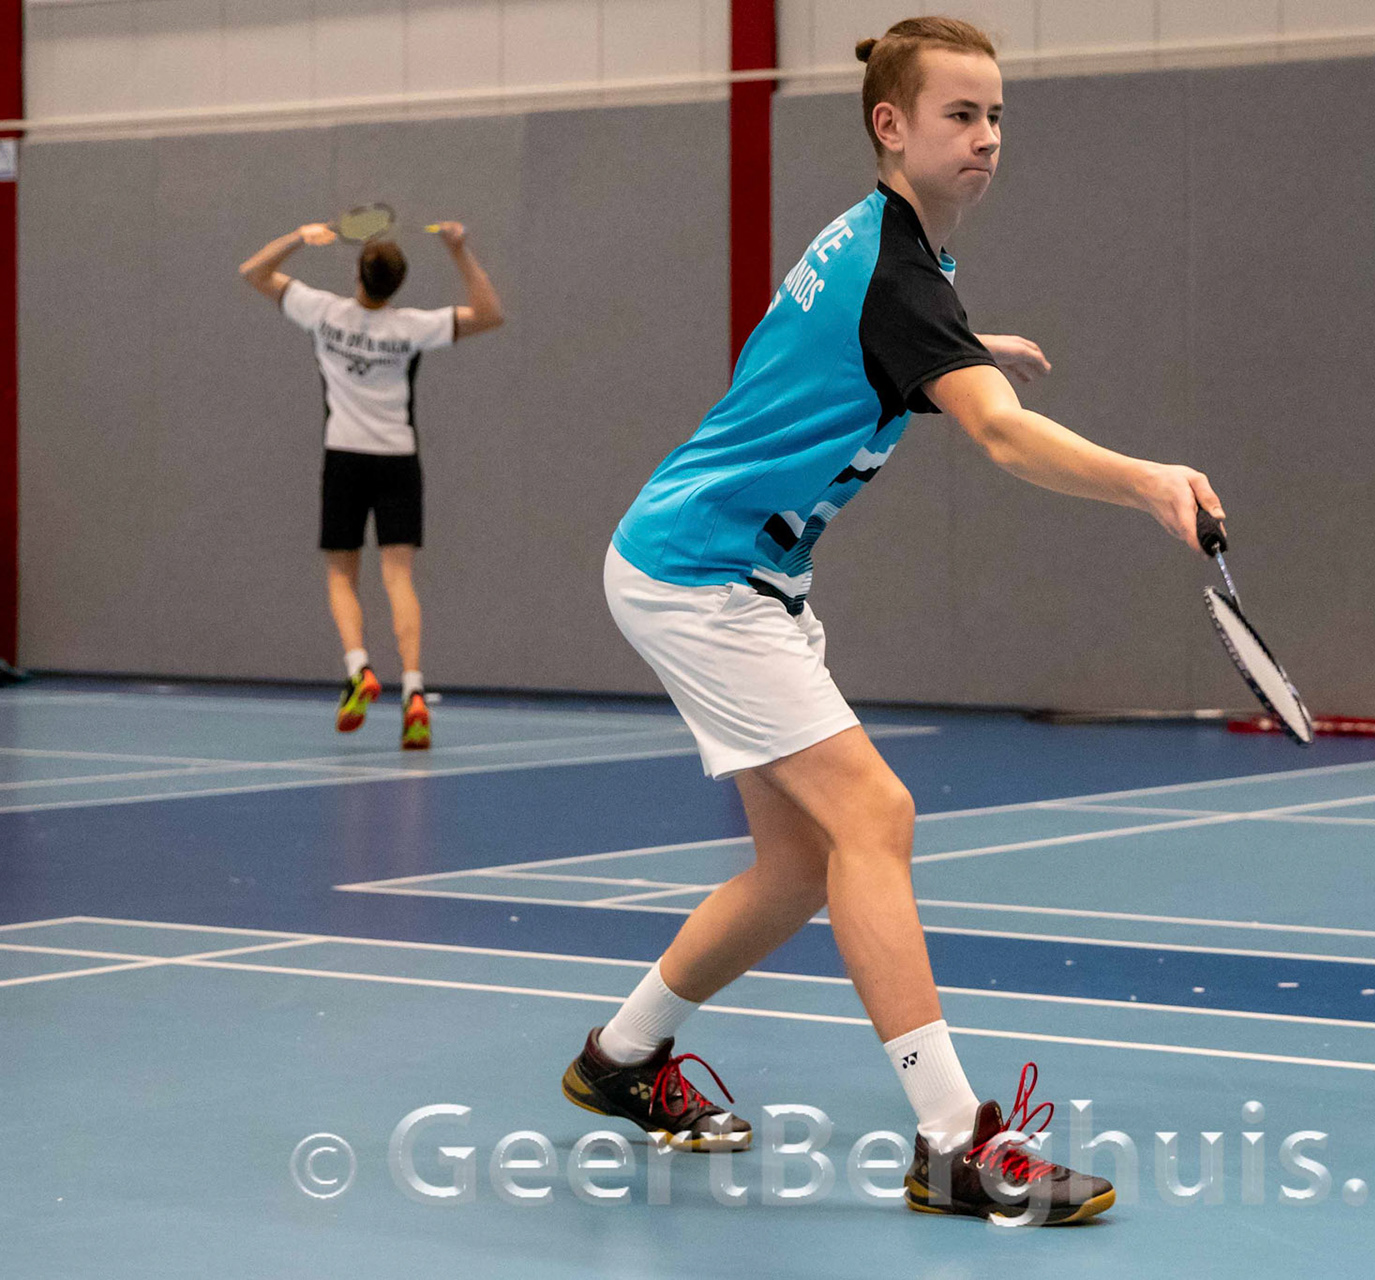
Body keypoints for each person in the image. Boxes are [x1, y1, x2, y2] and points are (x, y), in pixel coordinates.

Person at [563, 16, 1223, 1224]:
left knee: (798, 865)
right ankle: (953, 1140)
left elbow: (826, 352)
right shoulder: (900, 277)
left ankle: (621, 1056)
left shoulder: (893, 251)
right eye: (960, 115)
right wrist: (1145, 480)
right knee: (877, 813)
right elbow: (1001, 433)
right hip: (699, 572)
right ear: (891, 125)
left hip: (739, 569)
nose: (987, 137)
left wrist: (961, 345)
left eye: (996, 115)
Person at [239, 220, 504, 748]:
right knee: (398, 578)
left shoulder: (322, 312)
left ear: (357, 275)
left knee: (342, 575)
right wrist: (459, 250)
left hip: (344, 458)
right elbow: (490, 314)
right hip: (398, 460)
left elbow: (253, 272)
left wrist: (299, 237)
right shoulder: (411, 327)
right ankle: (414, 690)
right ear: (397, 284)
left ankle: (359, 668)